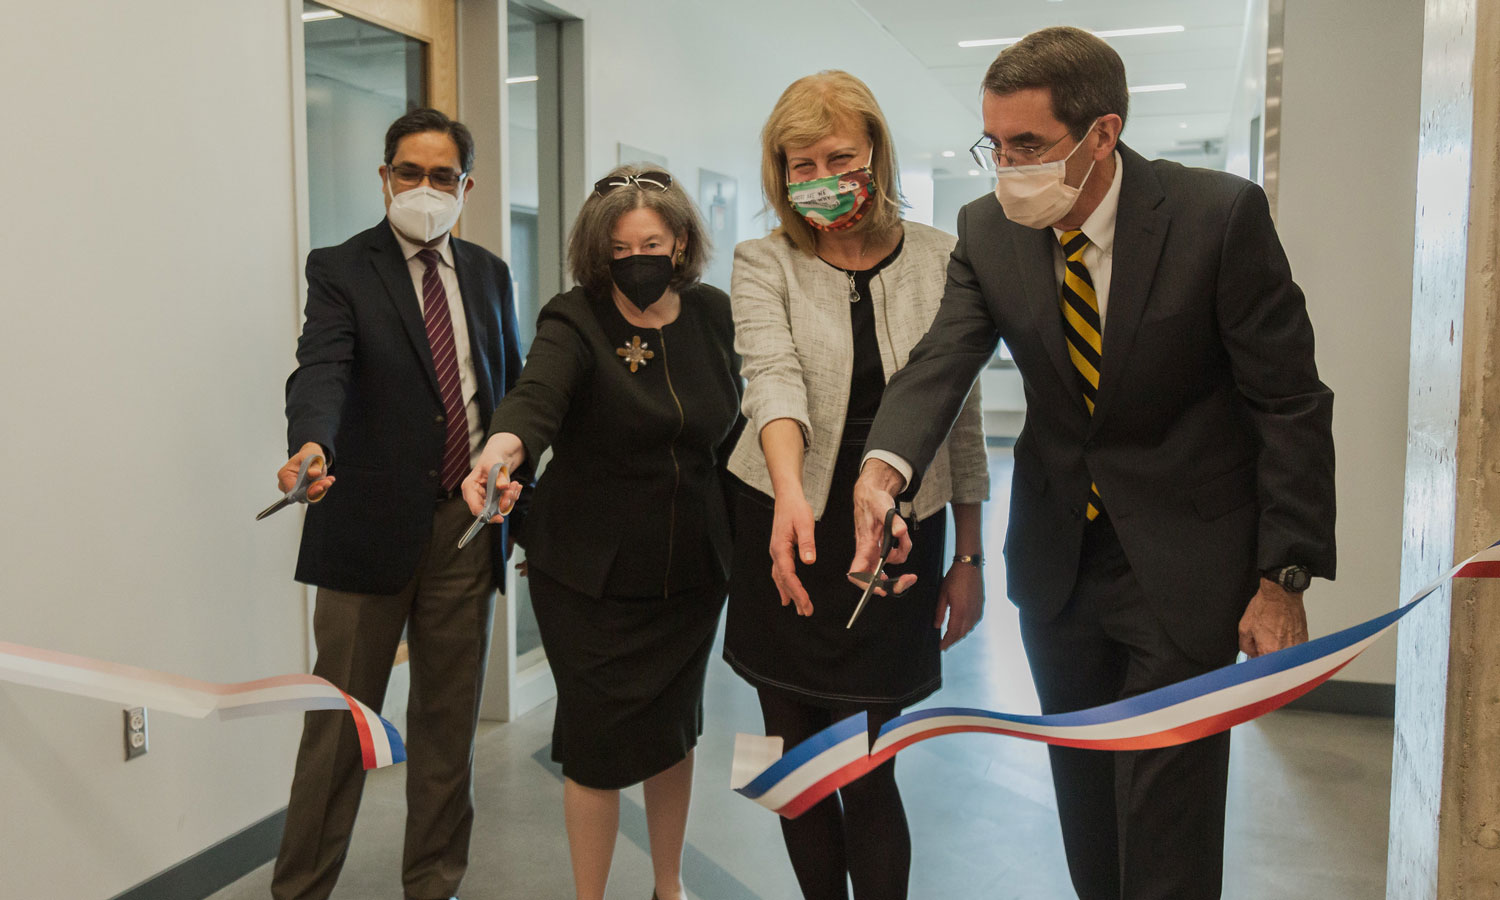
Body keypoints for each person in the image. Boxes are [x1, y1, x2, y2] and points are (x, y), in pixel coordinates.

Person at [850, 27, 1337, 900]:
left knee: (1167, 819)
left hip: (1187, 566)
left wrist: (1283, 576)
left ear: (1103, 134)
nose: (1006, 168)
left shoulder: (1217, 218)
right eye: (993, 145)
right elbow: (942, 362)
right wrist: (882, 470)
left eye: (1028, 146)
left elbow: (1290, 402)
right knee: (1086, 804)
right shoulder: (989, 230)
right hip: (1060, 568)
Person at [723, 71, 990, 900]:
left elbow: (962, 415)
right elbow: (771, 378)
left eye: (838, 157)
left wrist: (973, 555)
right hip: (782, 526)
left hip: (898, 538)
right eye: (800, 165)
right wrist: (789, 491)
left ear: (876, 150)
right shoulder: (762, 260)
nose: (820, 180)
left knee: (870, 766)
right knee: (794, 763)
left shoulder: (946, 257)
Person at [461, 164, 739, 900]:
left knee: (675, 730)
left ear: (680, 241)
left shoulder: (714, 314)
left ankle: (669, 885)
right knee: (597, 743)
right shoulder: (574, 317)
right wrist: (499, 451)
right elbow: (535, 399)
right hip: (590, 575)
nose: (637, 259)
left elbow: (742, 425)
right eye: (619, 249)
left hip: (692, 569)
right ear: (597, 251)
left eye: (651, 242)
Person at [272, 107, 524, 900]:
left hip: (465, 527)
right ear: (384, 177)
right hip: (366, 528)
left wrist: (516, 486)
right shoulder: (342, 268)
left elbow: (509, 390)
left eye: (440, 176)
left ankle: (434, 886)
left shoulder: (488, 272)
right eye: (408, 172)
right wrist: (313, 444)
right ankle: (301, 890)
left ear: (466, 186)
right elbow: (322, 368)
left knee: (449, 731)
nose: (423, 188)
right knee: (340, 731)